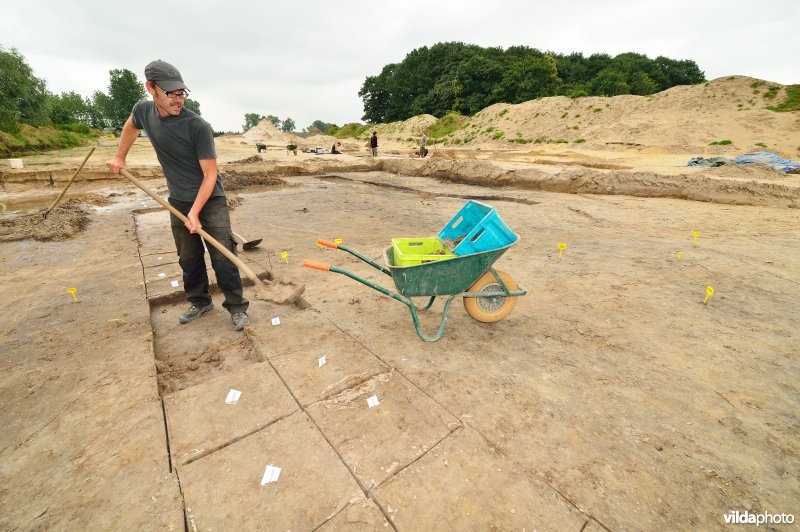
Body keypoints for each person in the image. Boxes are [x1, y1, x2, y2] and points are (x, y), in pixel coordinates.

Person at [106, 60, 250, 331]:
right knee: (188, 256)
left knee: (222, 254)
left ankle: (236, 306)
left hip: (210, 198)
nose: (177, 100)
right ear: (151, 88)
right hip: (179, 199)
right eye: (171, 93)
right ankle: (200, 301)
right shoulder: (143, 111)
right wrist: (119, 157)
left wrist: (195, 213)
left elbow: (210, 176)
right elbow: (131, 126)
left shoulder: (197, 126)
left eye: (181, 93)